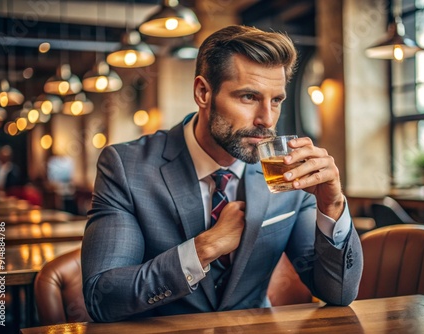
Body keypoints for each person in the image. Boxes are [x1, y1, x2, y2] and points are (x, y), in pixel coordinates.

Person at [81, 25, 363, 323]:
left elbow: (339, 293)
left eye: (276, 100)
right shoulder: (126, 167)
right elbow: (103, 297)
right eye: (248, 97)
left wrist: (332, 206)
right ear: (203, 92)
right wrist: (205, 248)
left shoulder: (289, 173)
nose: (266, 119)